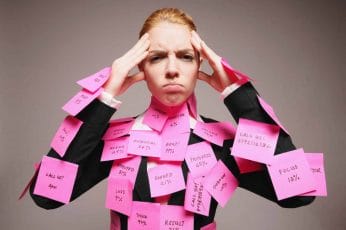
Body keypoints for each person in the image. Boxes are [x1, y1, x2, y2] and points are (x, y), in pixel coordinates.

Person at [28, 8, 315, 230]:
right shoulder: (115, 141)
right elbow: (45, 196)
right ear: (140, 66)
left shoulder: (223, 143)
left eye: (186, 56)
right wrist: (105, 95)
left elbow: (300, 193)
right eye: (157, 57)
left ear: (200, 64)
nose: (172, 69)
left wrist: (236, 91)